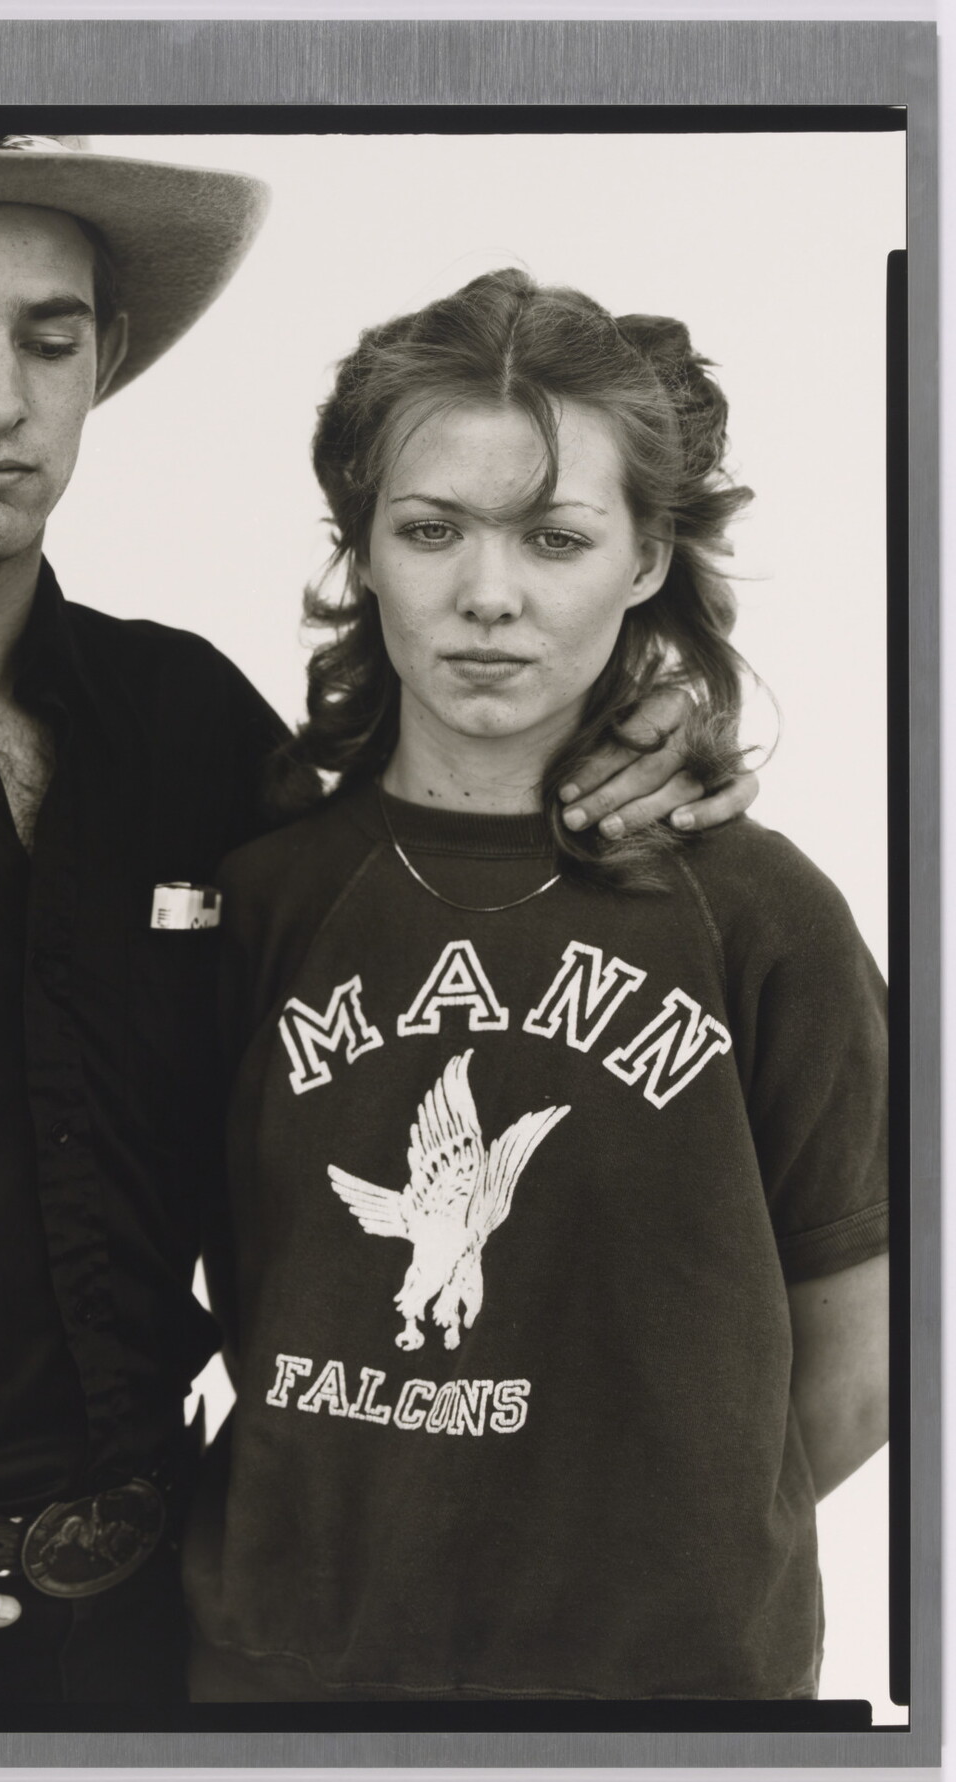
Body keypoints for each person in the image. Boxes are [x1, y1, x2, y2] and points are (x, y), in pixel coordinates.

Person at [0, 136, 757, 1723]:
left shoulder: (191, 725)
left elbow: (442, 837)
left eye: (53, 336)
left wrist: (644, 714)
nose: (0, 397)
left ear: (107, 359)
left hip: (175, 1643)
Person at [183, 269, 889, 1703]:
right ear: (363, 548)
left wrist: (653, 1550)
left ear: (643, 560)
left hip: (666, 1712)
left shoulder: (762, 915)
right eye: (430, 529)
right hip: (295, 1696)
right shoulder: (257, 896)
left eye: (555, 537)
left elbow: (870, 1355)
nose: (486, 596)